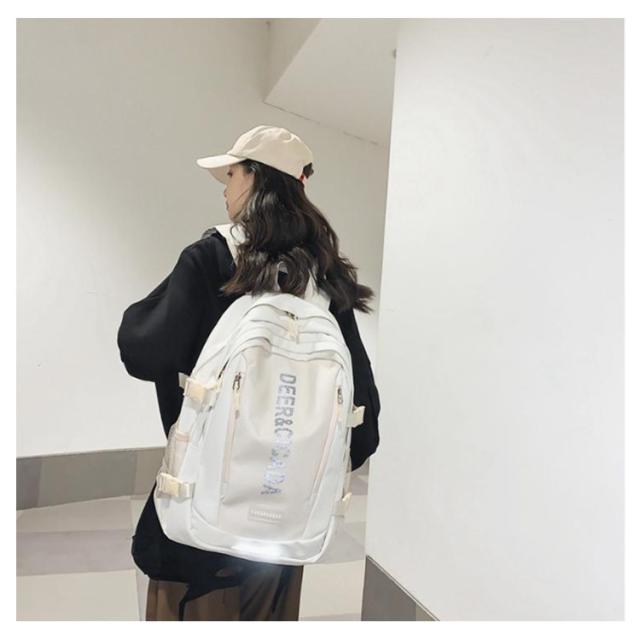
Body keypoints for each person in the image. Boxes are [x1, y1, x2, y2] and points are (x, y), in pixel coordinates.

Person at [117, 125, 381, 621]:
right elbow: (364, 429)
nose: (225, 189)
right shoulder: (326, 281)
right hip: (283, 540)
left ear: (257, 178)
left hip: (197, 529)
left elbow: (143, 351)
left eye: (232, 175)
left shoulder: (211, 258)